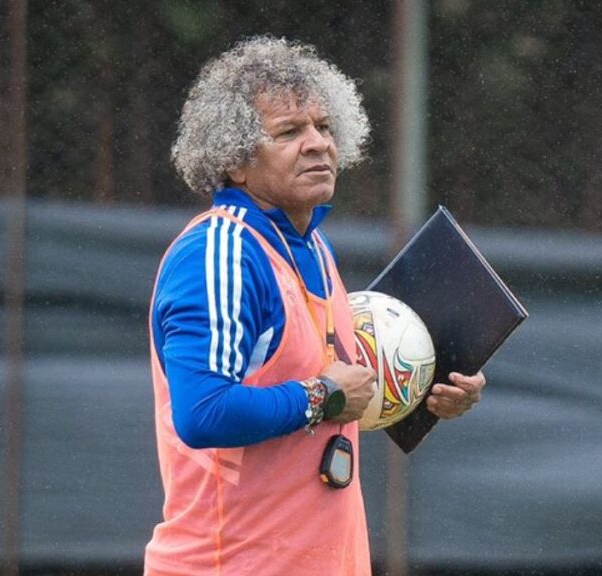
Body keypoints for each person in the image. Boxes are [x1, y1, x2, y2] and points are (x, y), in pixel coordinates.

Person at [145, 36, 486, 575]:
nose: (318, 144)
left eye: (324, 127)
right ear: (234, 160)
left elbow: (336, 400)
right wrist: (324, 395)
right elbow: (202, 412)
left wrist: (426, 392)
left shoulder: (311, 247)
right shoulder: (219, 253)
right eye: (289, 132)